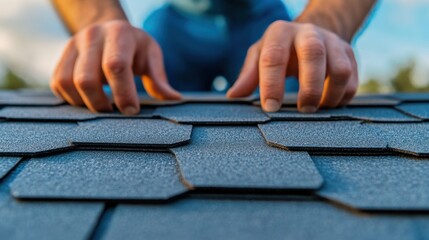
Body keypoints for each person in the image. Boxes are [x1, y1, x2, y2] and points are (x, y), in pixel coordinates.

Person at [50, 0, 376, 115]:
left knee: (297, 109)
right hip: (173, 26)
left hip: (270, 24)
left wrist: (321, 26)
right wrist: (100, 22)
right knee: (125, 99)